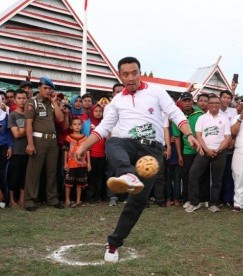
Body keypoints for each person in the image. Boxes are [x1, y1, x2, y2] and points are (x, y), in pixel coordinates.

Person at [75, 57, 200, 263]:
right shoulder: (116, 102)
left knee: (137, 202)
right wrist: (83, 146)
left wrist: (189, 134)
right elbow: (103, 128)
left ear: (140, 73)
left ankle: (114, 243)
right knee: (112, 141)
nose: (131, 78)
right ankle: (128, 174)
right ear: (120, 76)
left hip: (152, 151)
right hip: (127, 144)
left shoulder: (156, 91)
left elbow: (175, 113)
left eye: (134, 73)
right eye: (126, 74)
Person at [24, 77, 65, 211]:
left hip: (52, 141)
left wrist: (55, 103)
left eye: (50, 89)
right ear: (39, 88)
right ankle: (30, 200)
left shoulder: (52, 103)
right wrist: (30, 144)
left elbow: (60, 119)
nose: (48, 91)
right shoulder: (32, 102)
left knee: (52, 171)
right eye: (45, 88)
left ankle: (52, 199)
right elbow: (28, 125)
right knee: (34, 171)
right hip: (38, 140)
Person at [185, 95, 231, 213]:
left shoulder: (225, 118)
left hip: (219, 152)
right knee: (193, 174)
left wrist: (219, 149)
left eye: (217, 103)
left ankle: (214, 203)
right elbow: (198, 136)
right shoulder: (202, 118)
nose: (214, 105)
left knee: (217, 179)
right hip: (204, 151)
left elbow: (228, 137)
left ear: (220, 104)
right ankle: (195, 202)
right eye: (211, 103)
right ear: (208, 105)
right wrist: (206, 149)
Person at [173, 92, 203, 207]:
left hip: (201, 150)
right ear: (181, 102)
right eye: (184, 101)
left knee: (199, 176)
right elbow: (177, 138)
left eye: (189, 100)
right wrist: (180, 155)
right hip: (187, 151)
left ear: (192, 101)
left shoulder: (200, 113)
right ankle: (186, 199)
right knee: (187, 176)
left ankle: (199, 198)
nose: (187, 103)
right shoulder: (178, 117)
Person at [7, 89, 28, 208]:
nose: (22, 101)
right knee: (14, 176)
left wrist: (22, 130)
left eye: (24, 98)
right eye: (19, 98)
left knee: (25, 176)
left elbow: (21, 132)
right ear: (15, 100)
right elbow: (16, 134)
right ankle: (11, 199)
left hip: (28, 150)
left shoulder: (30, 115)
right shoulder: (12, 115)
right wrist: (29, 129)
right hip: (16, 150)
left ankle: (22, 199)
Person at [64, 117, 90, 207]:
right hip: (71, 164)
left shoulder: (85, 138)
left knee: (80, 183)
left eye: (79, 124)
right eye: (75, 124)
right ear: (71, 126)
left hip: (82, 164)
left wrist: (89, 163)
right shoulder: (68, 138)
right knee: (69, 183)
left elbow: (87, 150)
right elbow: (65, 151)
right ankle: (67, 200)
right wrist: (65, 163)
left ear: (81, 126)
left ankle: (78, 200)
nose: (77, 126)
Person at [83, 104, 106, 203]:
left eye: (100, 111)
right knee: (91, 177)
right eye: (96, 111)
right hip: (90, 155)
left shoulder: (104, 124)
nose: (98, 113)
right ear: (92, 112)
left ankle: (98, 196)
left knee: (100, 176)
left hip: (102, 155)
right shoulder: (87, 124)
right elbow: (85, 139)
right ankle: (90, 197)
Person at [219, 90, 237, 207]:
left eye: (228, 98)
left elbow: (235, 127)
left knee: (229, 174)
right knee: (219, 174)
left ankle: (228, 199)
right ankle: (219, 199)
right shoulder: (215, 110)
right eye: (224, 97)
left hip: (230, 146)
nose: (226, 100)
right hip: (219, 146)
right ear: (220, 98)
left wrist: (233, 139)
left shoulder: (233, 111)